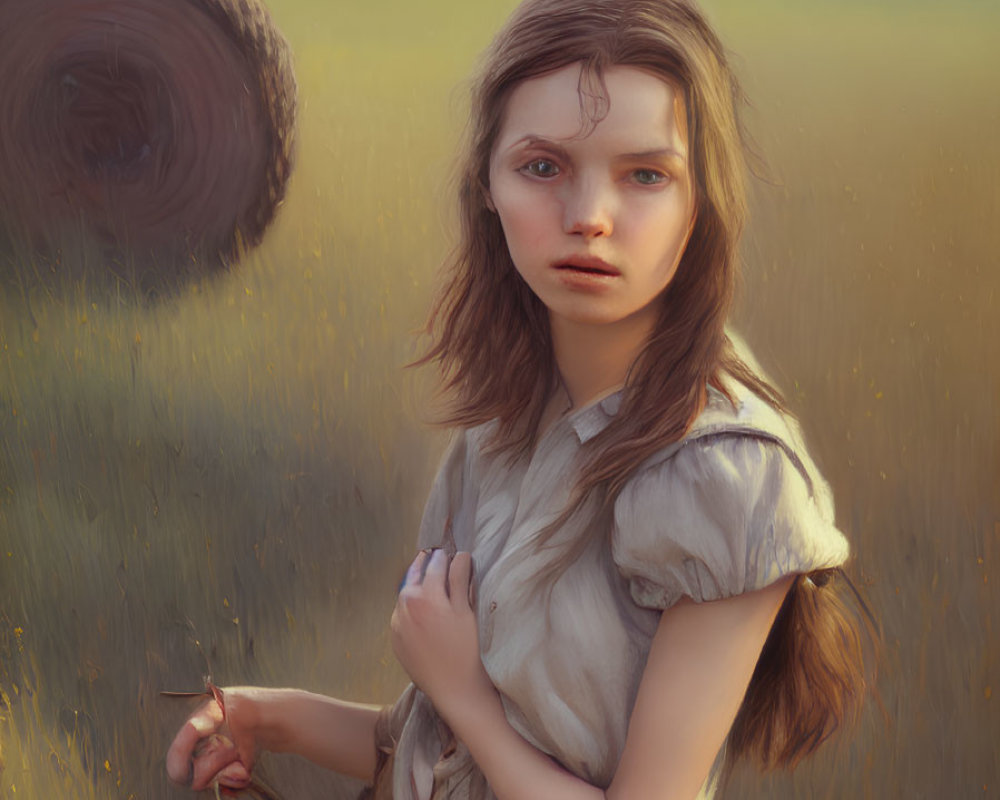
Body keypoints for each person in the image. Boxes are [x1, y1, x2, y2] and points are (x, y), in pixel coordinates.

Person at [165, 1, 873, 797]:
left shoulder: (725, 481)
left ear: (698, 206)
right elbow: (443, 757)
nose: (589, 219)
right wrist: (275, 717)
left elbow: (481, 723)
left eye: (646, 175)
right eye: (543, 167)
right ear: (488, 187)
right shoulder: (505, 430)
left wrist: (466, 698)